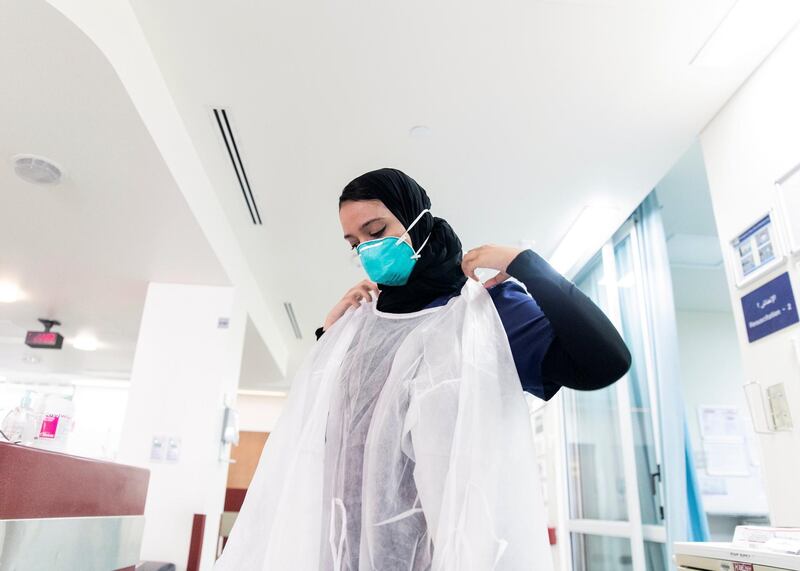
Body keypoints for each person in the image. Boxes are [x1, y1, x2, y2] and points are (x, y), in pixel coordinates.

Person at [215, 168, 631, 571]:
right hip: (348, 552)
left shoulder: (483, 313)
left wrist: (528, 264)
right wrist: (330, 338)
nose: (365, 250)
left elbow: (604, 361)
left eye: (376, 232)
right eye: (353, 243)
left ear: (418, 219)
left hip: (455, 551)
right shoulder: (365, 325)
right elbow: (337, 441)